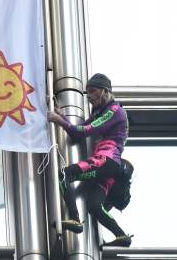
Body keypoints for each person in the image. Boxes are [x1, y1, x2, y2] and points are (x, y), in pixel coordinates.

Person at [47, 72, 132, 247]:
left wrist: (58, 121)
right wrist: (61, 116)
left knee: (64, 174)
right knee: (94, 206)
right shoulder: (100, 112)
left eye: (93, 91)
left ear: (105, 91)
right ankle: (122, 236)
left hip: (106, 160)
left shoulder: (115, 111)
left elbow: (83, 132)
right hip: (106, 165)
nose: (90, 97)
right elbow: (77, 134)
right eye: (88, 93)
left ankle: (75, 219)